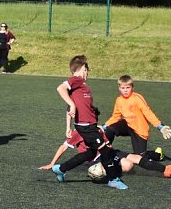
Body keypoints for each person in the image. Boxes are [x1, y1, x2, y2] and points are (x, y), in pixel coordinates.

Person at [51, 55, 127, 189]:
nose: (88, 73)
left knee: (90, 153)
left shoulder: (82, 86)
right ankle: (113, 179)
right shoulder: (77, 80)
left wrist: (68, 126)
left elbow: (70, 106)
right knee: (104, 150)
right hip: (85, 127)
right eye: (87, 70)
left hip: (89, 125)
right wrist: (72, 106)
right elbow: (60, 89)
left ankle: (61, 168)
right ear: (83, 69)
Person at [40, 121, 171, 179]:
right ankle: (108, 173)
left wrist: (108, 146)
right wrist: (52, 163)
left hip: (108, 152)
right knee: (128, 165)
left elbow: (106, 143)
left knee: (135, 157)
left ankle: (165, 170)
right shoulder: (78, 132)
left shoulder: (98, 129)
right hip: (97, 159)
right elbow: (64, 146)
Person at [102, 75, 171, 156]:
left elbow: (148, 113)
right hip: (128, 125)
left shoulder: (137, 98)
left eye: (128, 87)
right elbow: (115, 117)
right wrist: (103, 127)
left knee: (140, 157)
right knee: (110, 129)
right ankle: (105, 152)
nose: (125, 91)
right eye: (123, 88)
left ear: (132, 87)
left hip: (139, 129)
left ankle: (158, 155)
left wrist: (161, 127)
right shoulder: (119, 100)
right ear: (119, 88)